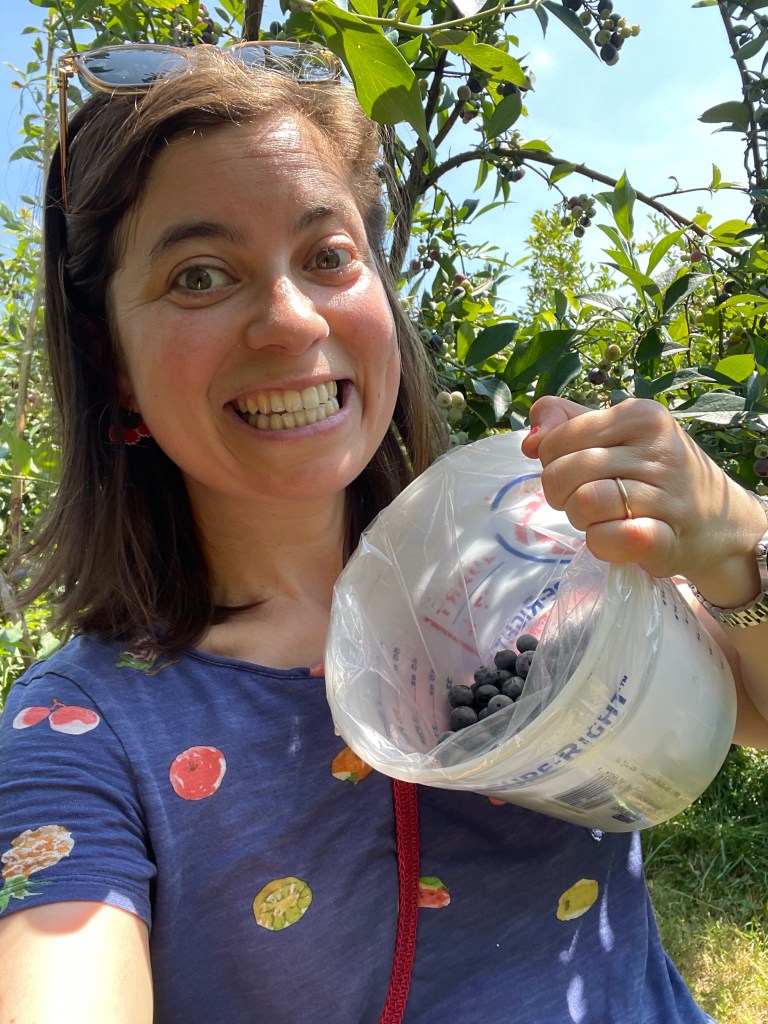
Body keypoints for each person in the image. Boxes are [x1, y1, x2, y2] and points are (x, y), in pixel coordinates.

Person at [0, 39, 766, 1024]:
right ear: (111, 359)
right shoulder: (86, 731)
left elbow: (745, 716)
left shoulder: (524, 559)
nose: (289, 319)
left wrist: (733, 541)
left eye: (326, 256)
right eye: (199, 274)